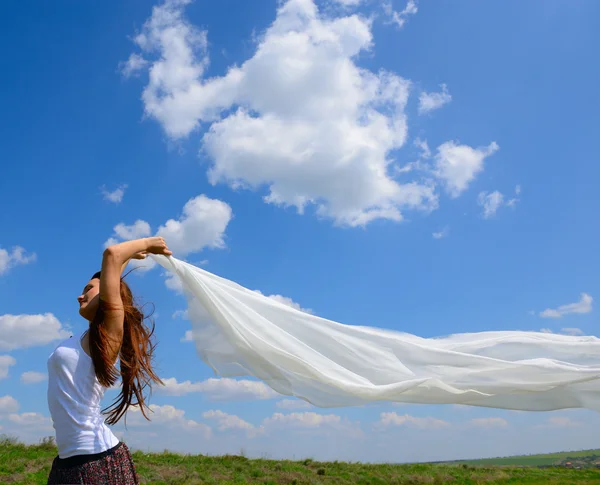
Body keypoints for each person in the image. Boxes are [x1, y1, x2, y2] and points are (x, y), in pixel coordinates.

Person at [46, 237, 172, 485]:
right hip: (67, 461)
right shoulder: (83, 336)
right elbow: (113, 266)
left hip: (96, 461)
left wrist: (147, 244)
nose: (80, 297)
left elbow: (111, 253)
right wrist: (125, 262)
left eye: (87, 290)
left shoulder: (108, 335)